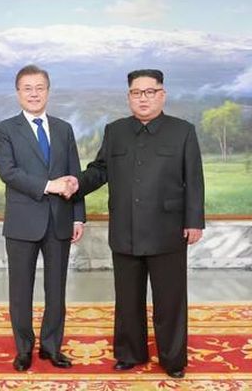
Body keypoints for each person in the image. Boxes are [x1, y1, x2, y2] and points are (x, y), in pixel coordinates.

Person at [71, 69, 205, 378]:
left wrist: (194, 221)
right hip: (125, 229)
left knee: (169, 301)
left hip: (168, 230)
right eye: (136, 92)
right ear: (129, 96)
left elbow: (194, 180)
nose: (143, 98)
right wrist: (75, 183)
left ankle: (172, 359)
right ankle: (130, 354)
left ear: (162, 94)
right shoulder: (115, 131)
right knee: (128, 300)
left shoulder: (182, 131)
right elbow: (99, 170)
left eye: (150, 92)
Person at [0, 64, 85, 372]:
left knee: (56, 290)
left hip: (60, 220)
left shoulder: (63, 128)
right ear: (18, 93)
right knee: (20, 291)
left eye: (39, 88)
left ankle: (51, 347)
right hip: (22, 223)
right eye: (27, 88)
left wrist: (78, 217)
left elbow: (74, 175)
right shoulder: (5, 129)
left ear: (48, 91)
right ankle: (23, 349)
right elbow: (8, 172)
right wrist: (49, 186)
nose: (34, 94)